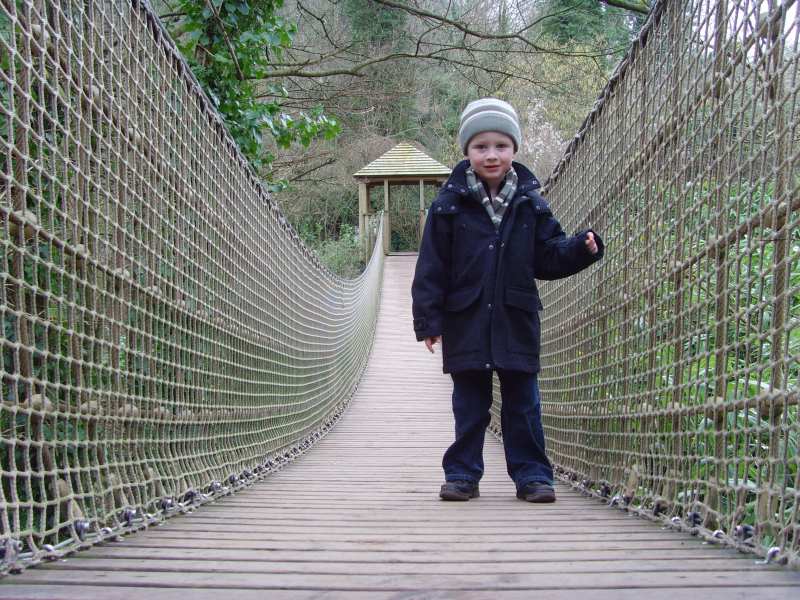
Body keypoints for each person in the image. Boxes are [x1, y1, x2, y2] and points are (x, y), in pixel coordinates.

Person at [411, 98, 603, 503]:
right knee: (469, 406)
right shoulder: (447, 205)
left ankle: (532, 477)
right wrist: (429, 320)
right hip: (466, 320)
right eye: (481, 146)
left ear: (514, 148)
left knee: (524, 405)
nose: (491, 155)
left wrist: (580, 250)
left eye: (501, 145)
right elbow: (431, 266)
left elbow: (547, 256)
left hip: (516, 319)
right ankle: (462, 474)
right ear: (466, 151)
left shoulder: (531, 203)